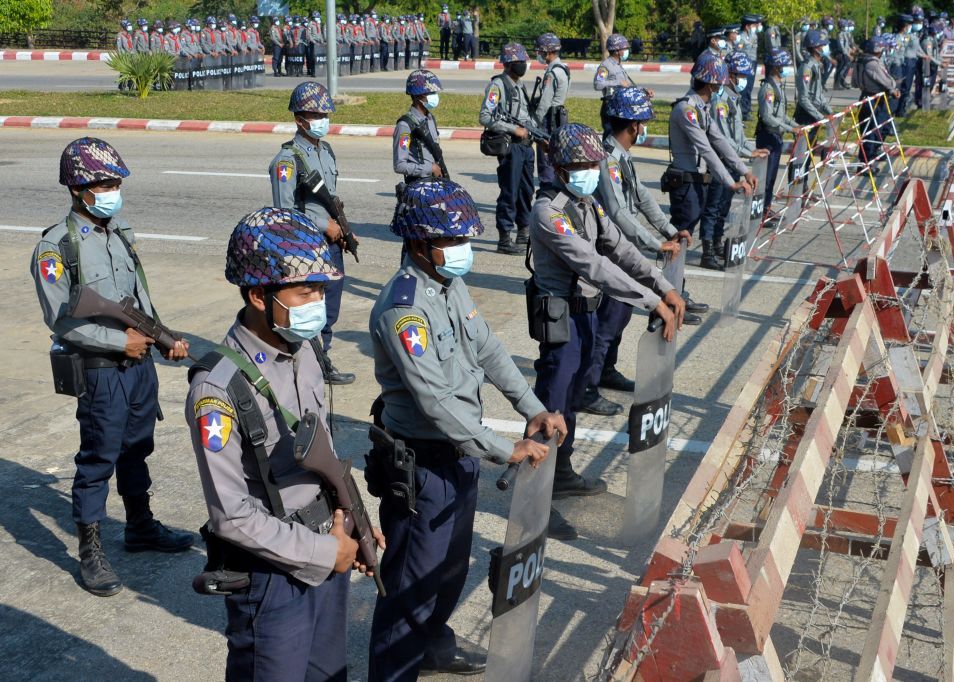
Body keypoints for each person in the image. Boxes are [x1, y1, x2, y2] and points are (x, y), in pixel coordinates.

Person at [367, 179, 565, 680]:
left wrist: (531, 406)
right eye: (451, 241)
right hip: (424, 463)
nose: (462, 251)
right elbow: (433, 401)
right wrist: (504, 448)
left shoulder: (446, 284)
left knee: (449, 572)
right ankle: (394, 672)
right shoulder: (404, 307)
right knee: (412, 584)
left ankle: (433, 649)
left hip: (461, 453)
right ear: (419, 244)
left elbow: (487, 347)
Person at [187, 207, 384, 680]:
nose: (318, 301)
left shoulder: (304, 351)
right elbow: (231, 515)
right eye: (306, 290)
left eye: (321, 288)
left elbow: (325, 456)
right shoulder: (218, 389)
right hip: (273, 576)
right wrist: (323, 554)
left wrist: (356, 522)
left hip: (329, 545)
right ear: (259, 295)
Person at [30, 138, 193, 597]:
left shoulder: (118, 231)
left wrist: (162, 338)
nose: (112, 191)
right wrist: (119, 340)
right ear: (78, 189)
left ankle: (140, 527)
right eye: (104, 184)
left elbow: (138, 299)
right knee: (99, 455)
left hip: (140, 364)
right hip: (101, 369)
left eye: (116, 183)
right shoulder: (56, 247)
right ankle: (91, 549)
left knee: (138, 446)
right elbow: (61, 319)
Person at [529, 123, 685, 540]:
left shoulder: (588, 202)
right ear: (561, 167)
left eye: (593, 163)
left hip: (585, 314)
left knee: (574, 398)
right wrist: (651, 300)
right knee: (553, 405)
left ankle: (560, 474)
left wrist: (663, 284)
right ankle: (535, 509)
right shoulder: (550, 211)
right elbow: (593, 265)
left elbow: (620, 248)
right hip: (560, 318)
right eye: (581, 164)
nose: (591, 170)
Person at [589, 87, 701, 413]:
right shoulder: (606, 159)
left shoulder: (622, 157)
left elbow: (641, 197)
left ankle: (606, 370)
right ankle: (588, 384)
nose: (644, 128)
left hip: (627, 247)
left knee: (620, 316)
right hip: (612, 249)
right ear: (634, 125)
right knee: (610, 318)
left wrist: (669, 230)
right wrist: (654, 243)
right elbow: (617, 211)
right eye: (643, 122)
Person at [270, 82, 359, 385]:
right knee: (310, 305)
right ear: (299, 119)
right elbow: (285, 211)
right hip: (305, 247)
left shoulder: (326, 150)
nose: (323, 119)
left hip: (331, 245)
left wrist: (343, 230)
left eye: (325, 114)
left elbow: (330, 198)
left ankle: (322, 356)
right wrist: (325, 227)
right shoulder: (287, 160)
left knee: (330, 306)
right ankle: (313, 364)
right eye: (316, 114)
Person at [666, 50, 755, 271]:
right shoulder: (686, 109)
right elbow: (706, 148)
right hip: (685, 184)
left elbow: (720, 141)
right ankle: (670, 288)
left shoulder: (701, 109)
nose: (719, 89)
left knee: (684, 238)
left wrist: (744, 170)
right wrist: (730, 181)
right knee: (679, 237)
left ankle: (676, 286)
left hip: (696, 180)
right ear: (710, 85)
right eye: (718, 85)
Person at [702, 52, 770, 269]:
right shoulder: (720, 102)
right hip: (720, 161)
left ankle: (717, 242)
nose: (743, 80)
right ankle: (707, 252)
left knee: (724, 206)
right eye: (739, 75)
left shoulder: (733, 99)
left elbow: (738, 137)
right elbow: (723, 138)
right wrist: (746, 152)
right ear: (729, 75)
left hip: (731, 162)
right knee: (713, 208)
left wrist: (752, 149)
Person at [479, 42, 536, 255]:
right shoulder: (498, 85)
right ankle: (504, 238)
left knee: (526, 192)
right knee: (509, 193)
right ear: (509, 64)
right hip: (511, 147)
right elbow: (485, 116)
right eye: (520, 62)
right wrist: (514, 129)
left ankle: (524, 231)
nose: (523, 65)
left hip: (526, 147)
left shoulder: (519, 85)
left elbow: (525, 116)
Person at [756, 49, 799, 221]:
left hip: (776, 136)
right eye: (783, 66)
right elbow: (767, 117)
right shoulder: (768, 89)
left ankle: (766, 208)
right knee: (765, 179)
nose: (785, 69)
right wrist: (789, 129)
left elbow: (780, 115)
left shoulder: (777, 87)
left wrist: (795, 126)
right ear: (774, 68)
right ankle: (760, 213)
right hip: (768, 136)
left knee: (772, 177)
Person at [792, 29, 833, 190]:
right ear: (816, 48)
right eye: (823, 45)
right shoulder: (807, 68)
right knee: (800, 157)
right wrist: (819, 115)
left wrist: (829, 111)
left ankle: (803, 187)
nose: (825, 48)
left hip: (814, 115)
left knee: (808, 155)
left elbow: (818, 95)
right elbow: (803, 98)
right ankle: (795, 190)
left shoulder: (817, 65)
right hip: (805, 116)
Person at [394, 70, 445, 188]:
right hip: (417, 187)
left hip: (434, 184)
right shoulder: (405, 126)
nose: (435, 96)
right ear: (418, 95)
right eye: (431, 92)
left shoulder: (430, 119)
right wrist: (429, 168)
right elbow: (399, 165)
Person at [531, 33, 571, 185]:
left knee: (545, 160)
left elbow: (545, 102)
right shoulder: (564, 69)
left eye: (541, 51)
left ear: (548, 52)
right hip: (559, 115)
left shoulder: (553, 73)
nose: (539, 54)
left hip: (549, 119)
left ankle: (546, 193)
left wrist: (535, 121)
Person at [855, 37, 900, 166]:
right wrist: (893, 89)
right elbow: (887, 81)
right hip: (873, 100)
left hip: (870, 98)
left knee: (881, 128)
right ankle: (866, 164)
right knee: (871, 133)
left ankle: (873, 154)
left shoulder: (862, 61)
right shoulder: (872, 64)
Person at [595, 33, 645, 136]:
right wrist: (617, 83)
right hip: (610, 108)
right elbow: (598, 84)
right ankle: (606, 152)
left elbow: (629, 85)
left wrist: (644, 90)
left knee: (619, 139)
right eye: (624, 48)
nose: (626, 51)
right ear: (617, 51)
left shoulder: (619, 66)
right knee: (610, 139)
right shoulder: (605, 66)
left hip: (620, 108)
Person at [738, 15, 760, 120]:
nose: (755, 26)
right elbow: (740, 51)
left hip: (752, 63)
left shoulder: (753, 36)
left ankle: (747, 108)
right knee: (744, 89)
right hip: (745, 64)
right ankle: (744, 112)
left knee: (749, 87)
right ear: (747, 26)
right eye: (753, 25)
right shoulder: (741, 37)